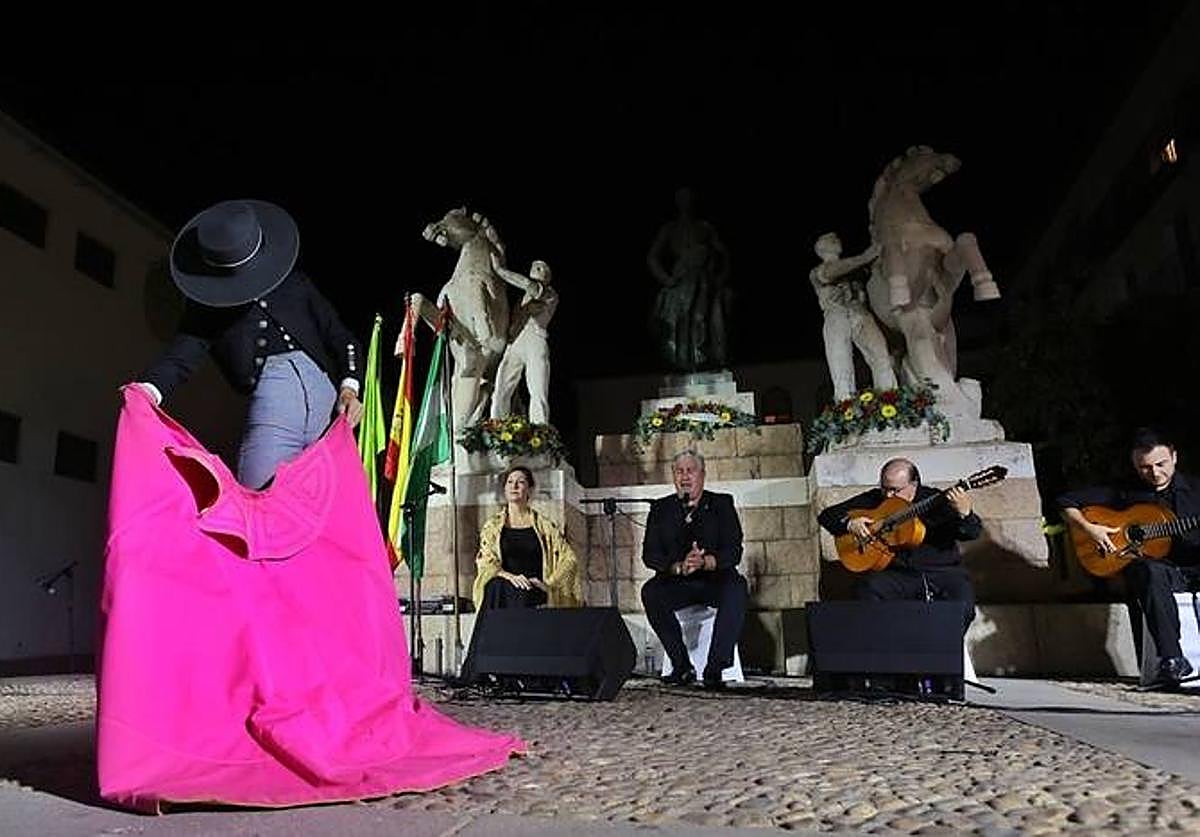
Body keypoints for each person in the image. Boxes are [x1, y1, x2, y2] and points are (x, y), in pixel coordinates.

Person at [136, 199, 364, 490]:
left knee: (335, 503)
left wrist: (349, 389)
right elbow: (180, 358)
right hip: (273, 407)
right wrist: (145, 391)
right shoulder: (208, 304)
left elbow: (343, 338)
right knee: (259, 496)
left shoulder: (294, 282)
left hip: (328, 405)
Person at [1057, 427, 1200, 685]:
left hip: (1194, 568)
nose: (1154, 473)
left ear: (1174, 457)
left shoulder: (1197, 490)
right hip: (1156, 574)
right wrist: (1091, 529)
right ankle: (1172, 660)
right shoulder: (1123, 491)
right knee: (1147, 571)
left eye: (1161, 464)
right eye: (1145, 467)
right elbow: (1066, 501)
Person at [817, 457, 981, 631]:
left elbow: (972, 533)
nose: (888, 495)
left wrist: (965, 513)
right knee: (867, 590)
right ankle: (888, 650)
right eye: (884, 488)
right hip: (896, 574)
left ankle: (943, 652)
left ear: (914, 484)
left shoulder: (936, 500)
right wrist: (850, 524)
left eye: (895, 490)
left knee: (963, 606)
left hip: (941, 572)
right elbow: (827, 516)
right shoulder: (875, 499)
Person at [641, 450, 748, 688]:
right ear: (673, 476)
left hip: (714, 579)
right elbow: (650, 555)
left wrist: (707, 561)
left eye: (690, 471)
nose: (685, 476)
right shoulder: (661, 509)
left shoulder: (721, 503)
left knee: (737, 587)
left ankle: (716, 666)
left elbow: (734, 550)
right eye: (679, 471)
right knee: (651, 592)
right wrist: (678, 567)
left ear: (702, 475)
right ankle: (681, 666)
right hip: (678, 581)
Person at [473, 466, 582, 610]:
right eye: (510, 482)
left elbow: (570, 559)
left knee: (518, 592)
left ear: (530, 490)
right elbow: (486, 561)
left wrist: (549, 584)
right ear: (505, 489)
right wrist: (510, 577)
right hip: (504, 584)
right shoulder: (492, 526)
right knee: (496, 586)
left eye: (521, 482)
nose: (514, 486)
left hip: (533, 587)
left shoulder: (545, 526)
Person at [646, 188, 731, 371]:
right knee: (681, 317)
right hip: (681, 279)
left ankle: (706, 356)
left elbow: (723, 253)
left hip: (703, 280)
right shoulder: (670, 228)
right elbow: (652, 257)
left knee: (706, 314)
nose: (686, 202)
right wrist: (666, 279)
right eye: (682, 198)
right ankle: (685, 360)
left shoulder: (704, 227)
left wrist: (721, 276)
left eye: (689, 198)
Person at [809, 233, 895, 400]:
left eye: (837, 238)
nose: (837, 240)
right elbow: (832, 272)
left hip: (860, 313)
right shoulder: (818, 271)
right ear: (821, 249)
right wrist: (866, 257)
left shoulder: (855, 269)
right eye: (831, 240)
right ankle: (845, 405)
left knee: (881, 356)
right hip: (837, 316)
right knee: (841, 366)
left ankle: (890, 398)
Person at [488, 254, 558, 425]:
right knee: (501, 388)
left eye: (541, 268)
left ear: (548, 276)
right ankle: (496, 429)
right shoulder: (521, 299)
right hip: (516, 341)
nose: (536, 268)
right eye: (534, 266)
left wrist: (499, 270)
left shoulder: (549, 294)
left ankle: (541, 432)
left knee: (538, 390)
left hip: (535, 339)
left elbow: (527, 284)